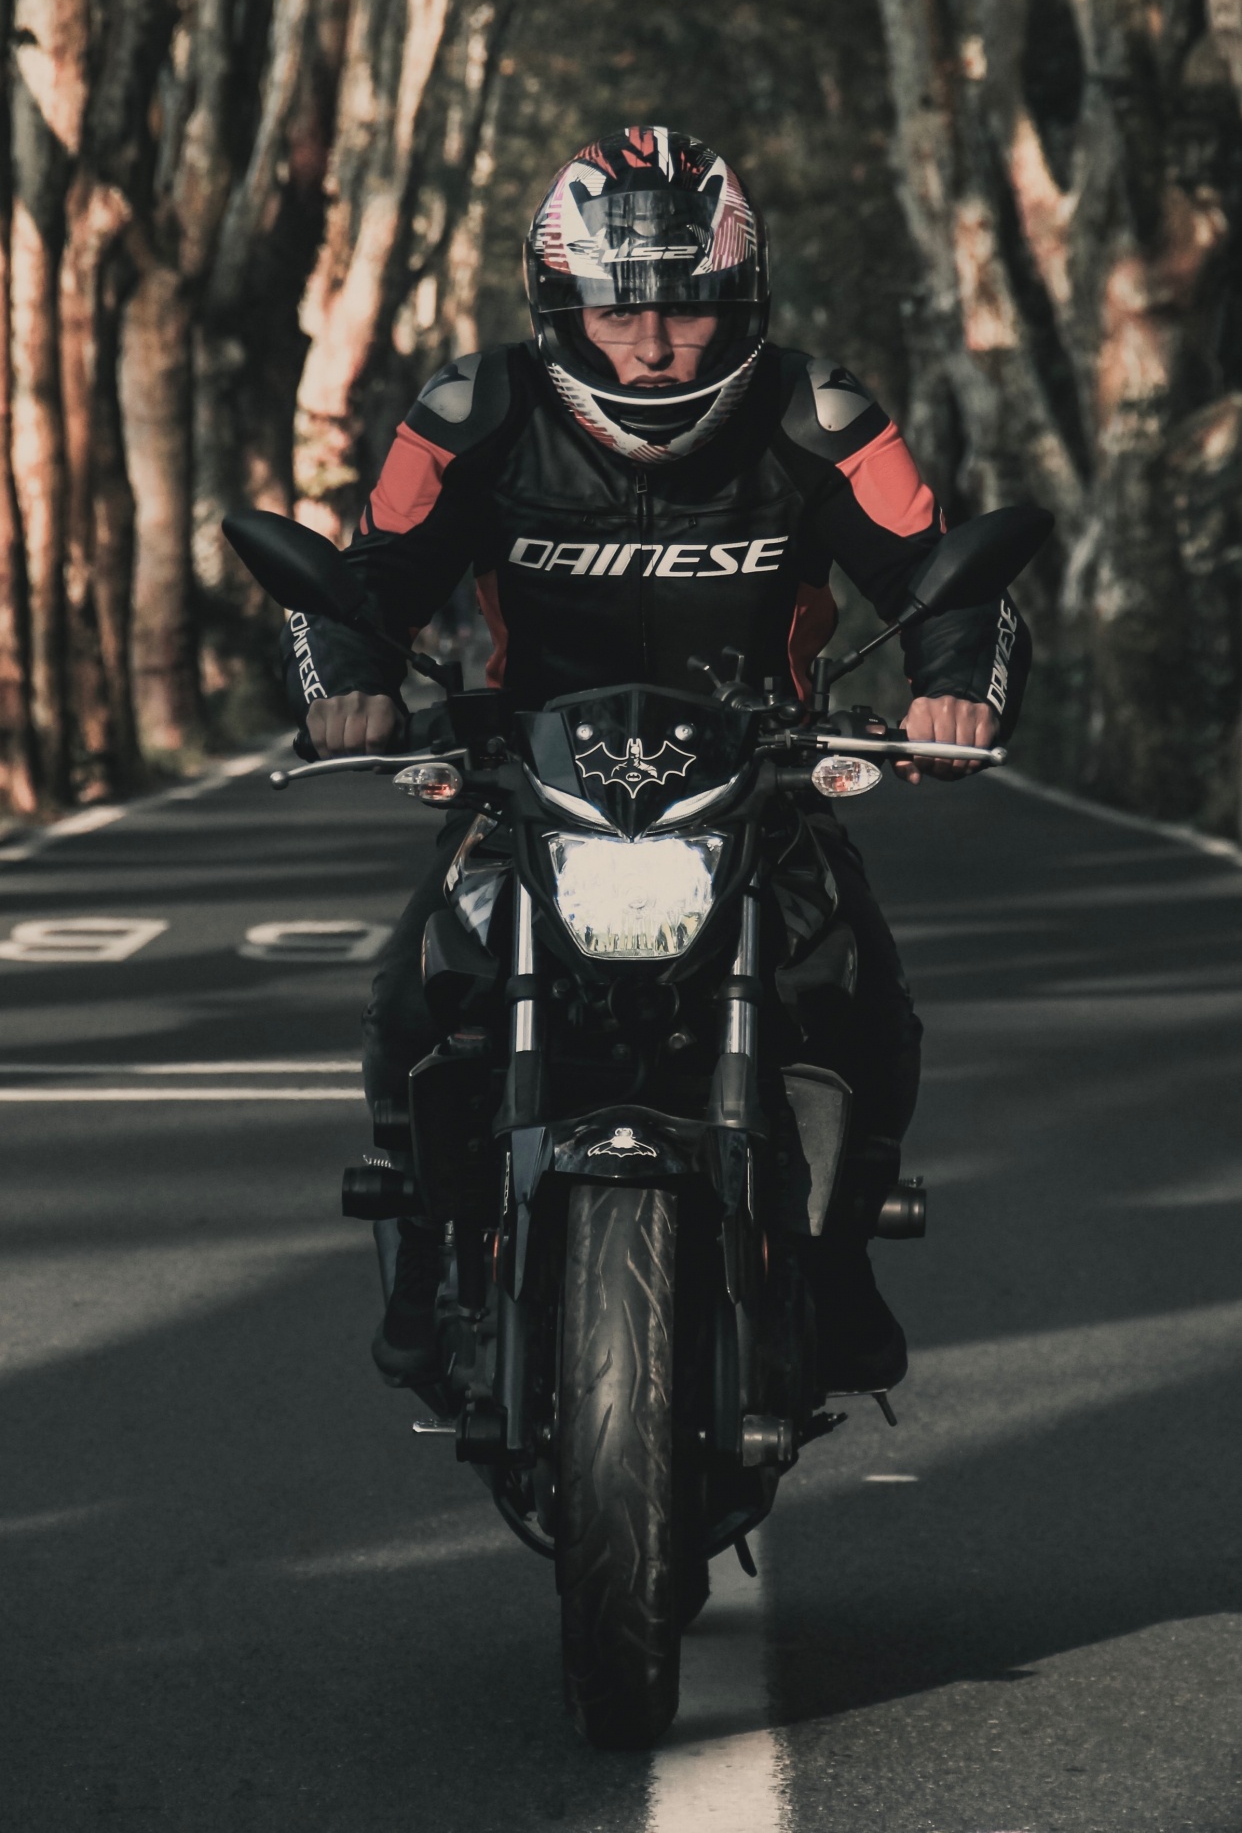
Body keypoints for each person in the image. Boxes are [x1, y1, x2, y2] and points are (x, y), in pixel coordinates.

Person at [283, 127, 1030, 1392]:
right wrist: (346, 692)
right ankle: (424, 1240)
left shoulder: (819, 412)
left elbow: (945, 580)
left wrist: (955, 694)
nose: (653, 343)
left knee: (865, 1001)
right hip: (527, 777)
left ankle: (838, 1256)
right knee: (416, 991)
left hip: (764, 776)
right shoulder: (472, 411)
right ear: (558, 305)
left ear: (742, 300)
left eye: (688, 304)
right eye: (618, 308)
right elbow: (362, 585)